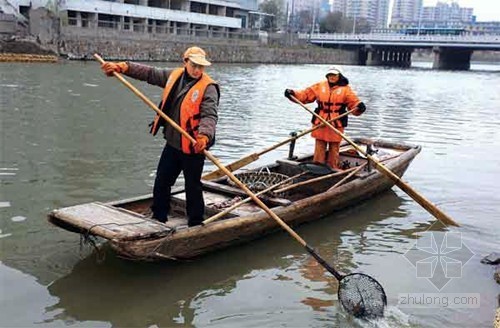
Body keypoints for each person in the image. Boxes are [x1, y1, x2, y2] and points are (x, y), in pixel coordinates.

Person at [101, 46, 219, 227]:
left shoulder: (208, 87)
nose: (197, 70)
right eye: (194, 65)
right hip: (172, 143)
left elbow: (209, 115)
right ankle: (159, 217)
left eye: (201, 67)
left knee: (192, 186)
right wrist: (123, 67)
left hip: (193, 146)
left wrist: (204, 136)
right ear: (185, 62)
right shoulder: (174, 76)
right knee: (162, 181)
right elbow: (149, 73)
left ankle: (195, 224)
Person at [284, 66, 366, 169]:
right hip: (320, 121)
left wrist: (359, 107)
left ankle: (332, 168)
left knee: (334, 147)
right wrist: (293, 93)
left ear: (339, 76)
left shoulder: (346, 90)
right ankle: (317, 168)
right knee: (319, 146)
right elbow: (305, 95)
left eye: (334, 75)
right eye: (330, 75)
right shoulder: (319, 86)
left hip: (336, 122)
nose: (331, 77)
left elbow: (354, 103)